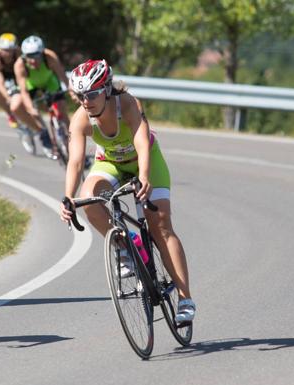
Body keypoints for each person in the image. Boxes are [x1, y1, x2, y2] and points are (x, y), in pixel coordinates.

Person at [59, 59, 195, 323]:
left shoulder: (128, 104)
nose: (86, 101)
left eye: (92, 94)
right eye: (80, 96)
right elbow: (75, 161)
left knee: (161, 225)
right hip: (110, 163)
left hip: (145, 161)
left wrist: (144, 177)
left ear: (107, 89)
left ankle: (185, 298)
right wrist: (68, 197)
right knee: (89, 199)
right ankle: (124, 245)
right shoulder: (80, 119)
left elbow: (142, 143)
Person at [12, 35, 79, 158]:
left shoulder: (50, 57)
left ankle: (74, 143)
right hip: (31, 85)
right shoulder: (19, 65)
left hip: (49, 82)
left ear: (42, 53)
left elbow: (63, 77)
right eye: (29, 57)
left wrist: (72, 92)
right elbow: (24, 91)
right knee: (24, 109)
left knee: (62, 112)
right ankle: (42, 133)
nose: (33, 61)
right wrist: (31, 108)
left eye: (36, 56)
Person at [0, 33, 21, 129]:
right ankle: (10, 114)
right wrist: (8, 99)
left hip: (16, 73)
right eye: (5, 50)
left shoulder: (18, 53)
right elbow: (0, 83)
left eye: (10, 51)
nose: (8, 54)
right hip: (2, 75)